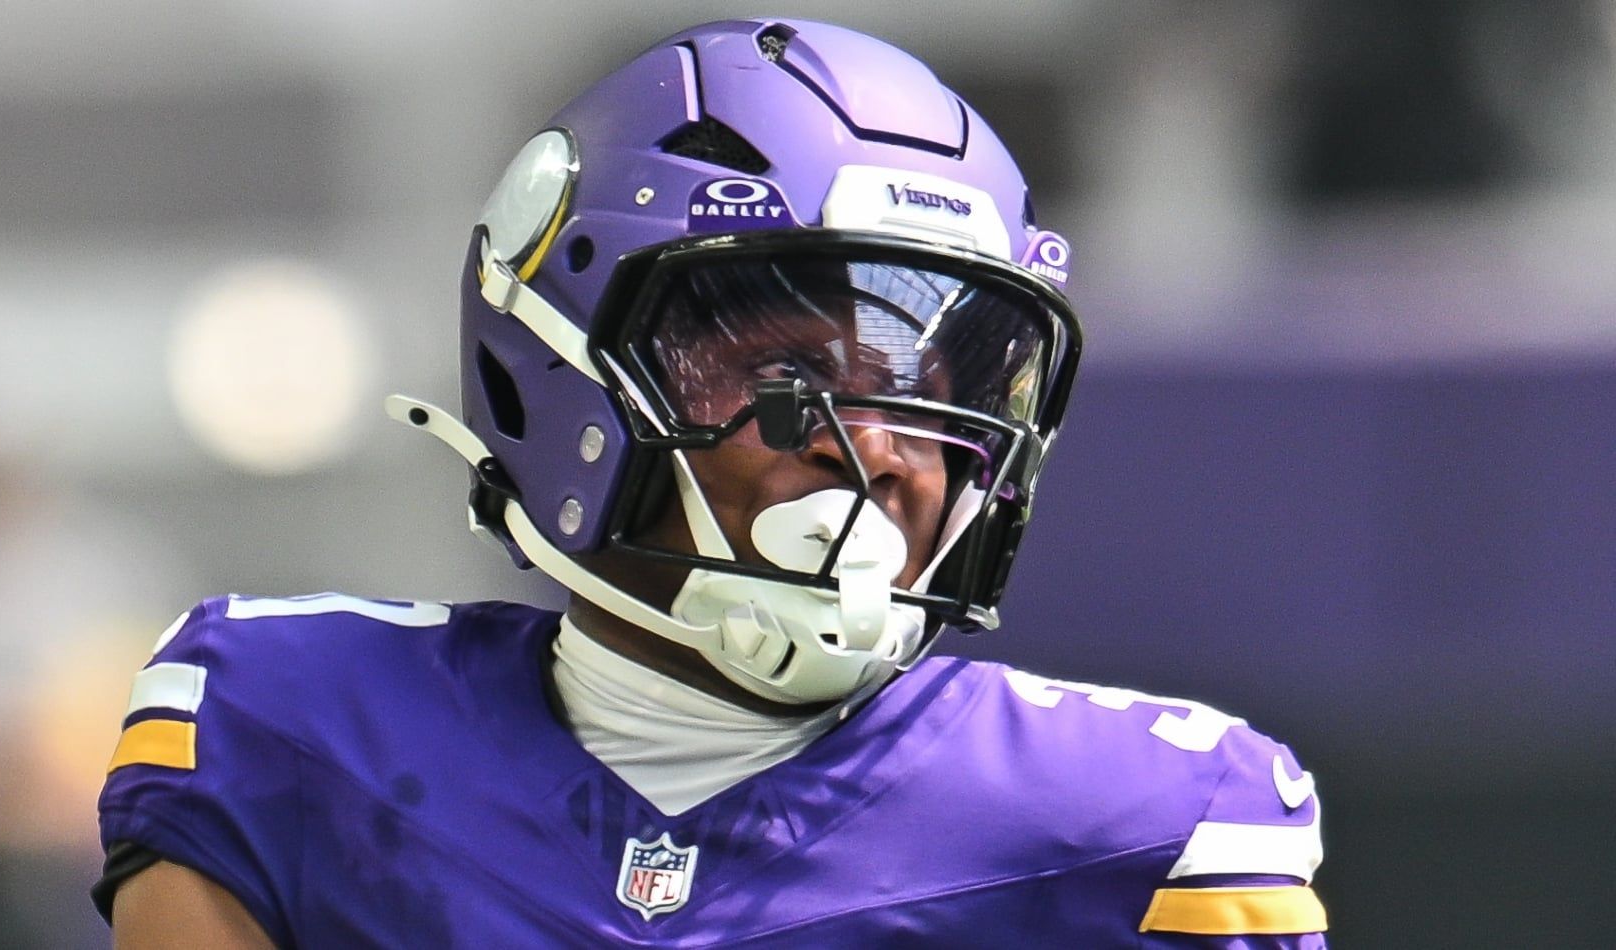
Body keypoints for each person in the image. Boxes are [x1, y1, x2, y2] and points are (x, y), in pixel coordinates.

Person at [94, 18, 1328, 948]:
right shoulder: (282, 723)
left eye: (935, 389)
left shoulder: (1141, 823)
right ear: (565, 368)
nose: (883, 452)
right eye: (791, 374)